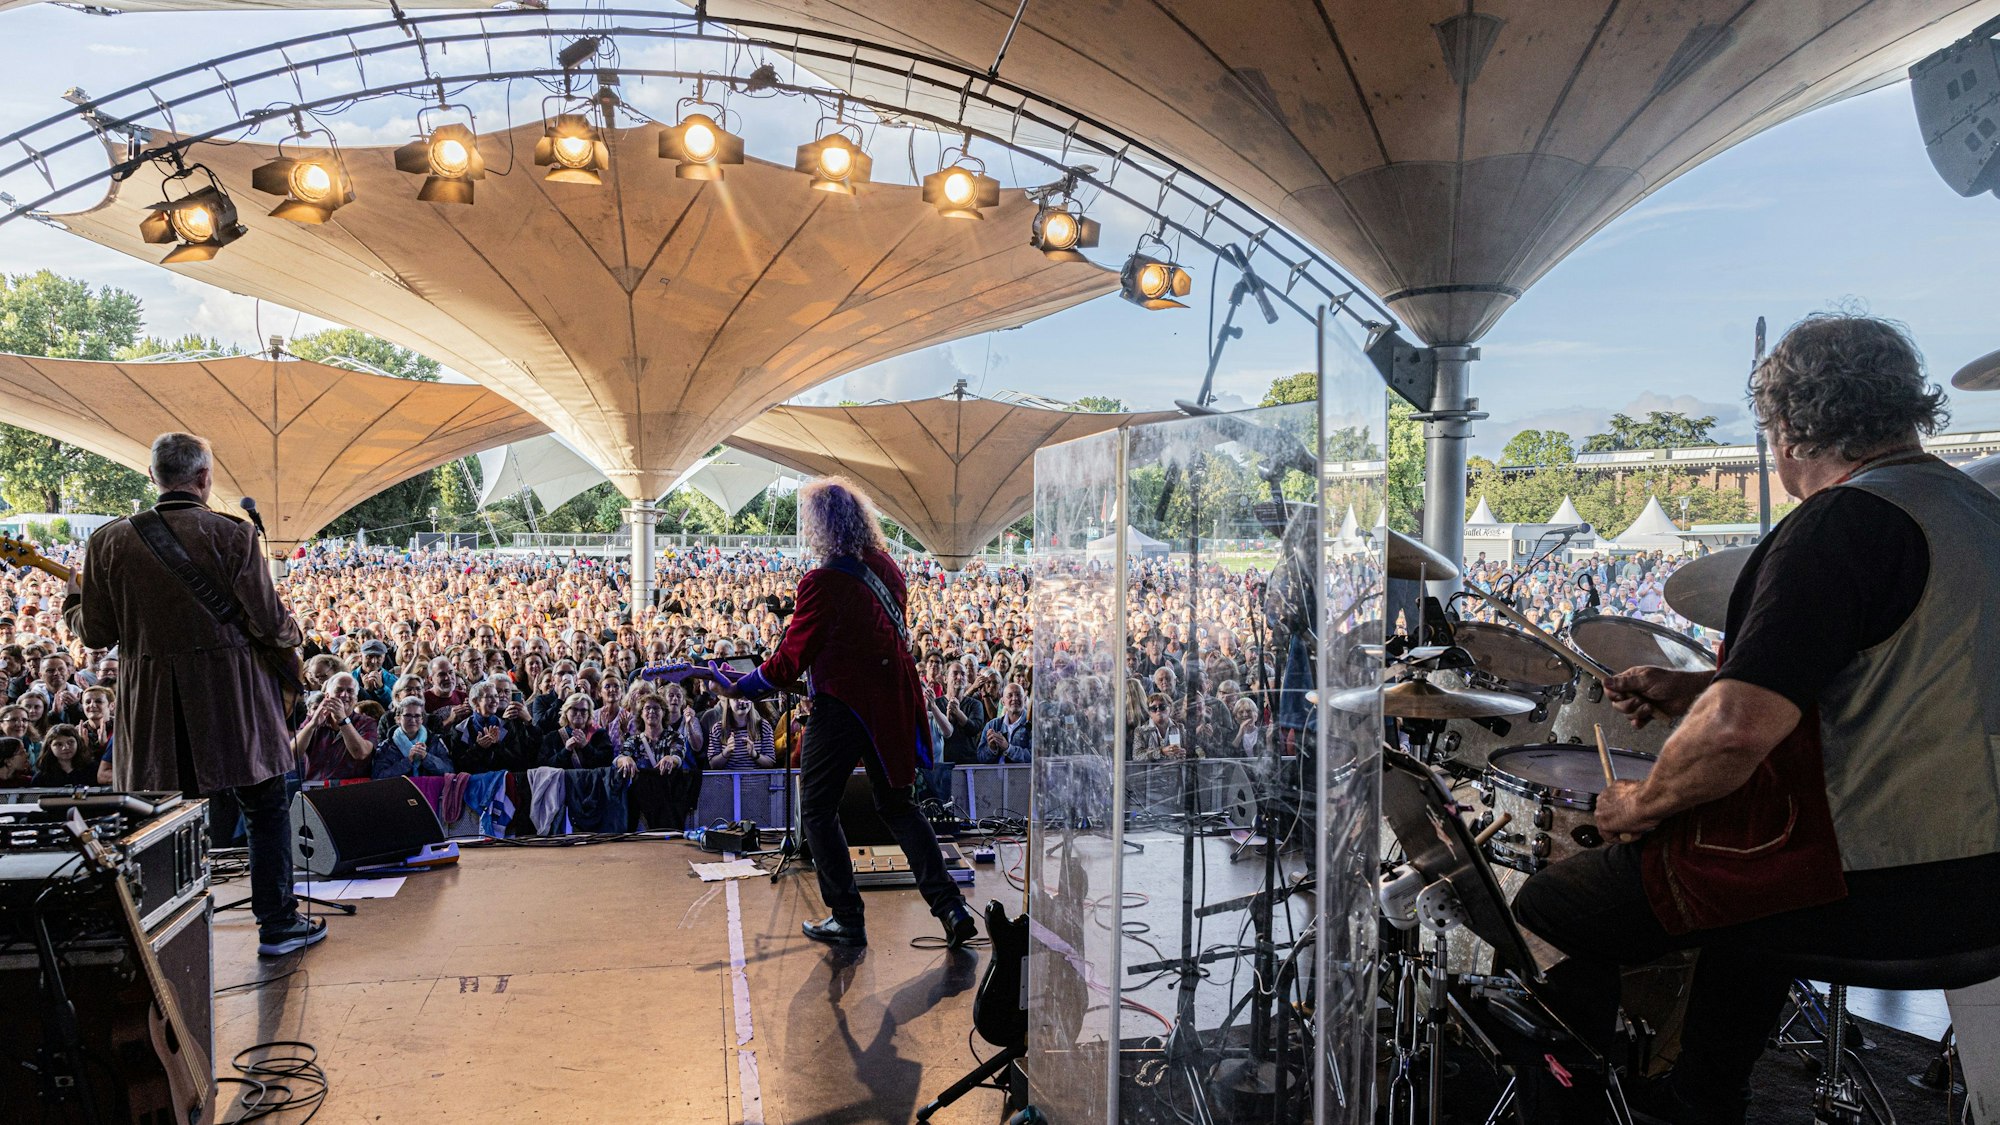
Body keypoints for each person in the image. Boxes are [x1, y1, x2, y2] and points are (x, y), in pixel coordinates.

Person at [1513, 314, 2000, 1124]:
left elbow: (1738, 733)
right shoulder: (1979, 513)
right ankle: (1701, 1096)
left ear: (1789, 430)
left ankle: (1587, 1112)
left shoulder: (1840, 522)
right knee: (1745, 907)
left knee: (1557, 906)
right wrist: (1696, 683)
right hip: (1984, 882)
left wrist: (1640, 805)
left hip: (1876, 879)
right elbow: (1896, 678)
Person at [62, 432, 326, 957]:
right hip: (232, 699)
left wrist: (73, 598)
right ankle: (277, 925)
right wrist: (294, 640)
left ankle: (159, 931)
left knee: (157, 817)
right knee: (265, 803)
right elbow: (270, 623)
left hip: (153, 706)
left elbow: (93, 634)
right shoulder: (232, 535)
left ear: (155, 476)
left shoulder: (109, 541)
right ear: (204, 478)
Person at [715, 477, 976, 950]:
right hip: (892, 703)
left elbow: (790, 658)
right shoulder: (886, 567)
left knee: (815, 807)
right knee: (899, 806)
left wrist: (744, 684)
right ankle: (951, 907)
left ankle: (847, 917)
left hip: (844, 708)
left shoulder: (821, 581)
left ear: (821, 526)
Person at [292, 671, 375, 781]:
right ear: (327, 696)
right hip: (316, 788)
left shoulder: (366, 722)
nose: (344, 695)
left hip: (352, 790)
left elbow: (361, 753)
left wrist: (343, 721)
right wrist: (312, 725)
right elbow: (293, 754)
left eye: (350, 691)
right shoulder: (313, 720)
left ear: (356, 698)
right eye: (339, 690)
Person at [373, 695, 453, 778]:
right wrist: (408, 761)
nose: (413, 720)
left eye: (417, 716)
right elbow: (378, 777)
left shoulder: (435, 742)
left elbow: (450, 770)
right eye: (408, 715)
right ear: (398, 719)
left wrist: (426, 757)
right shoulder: (386, 747)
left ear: (422, 720)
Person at [978, 682, 1032, 764]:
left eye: (1018, 695)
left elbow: (1034, 757)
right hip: (996, 776)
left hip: (1023, 776)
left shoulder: (1032, 725)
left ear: (1024, 700)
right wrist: (991, 749)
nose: (1014, 698)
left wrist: (1008, 748)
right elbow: (980, 758)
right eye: (1010, 695)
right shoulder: (992, 725)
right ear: (1003, 701)